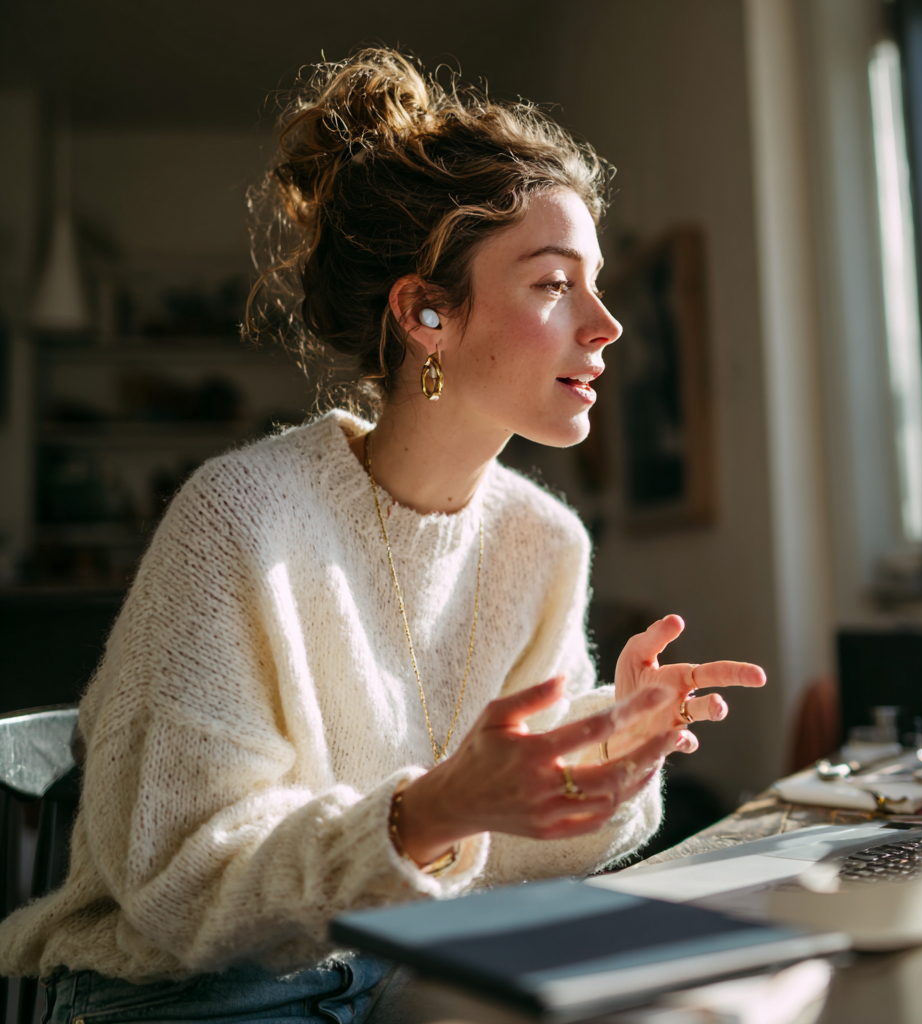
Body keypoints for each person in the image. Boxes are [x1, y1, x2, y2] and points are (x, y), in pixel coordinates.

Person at [0, 48, 765, 1024]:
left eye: (597, 283)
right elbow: (179, 876)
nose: (605, 323)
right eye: (551, 285)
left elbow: (509, 859)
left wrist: (608, 764)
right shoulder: (239, 516)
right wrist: (431, 809)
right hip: (195, 991)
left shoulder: (544, 541)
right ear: (425, 312)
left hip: (398, 970)